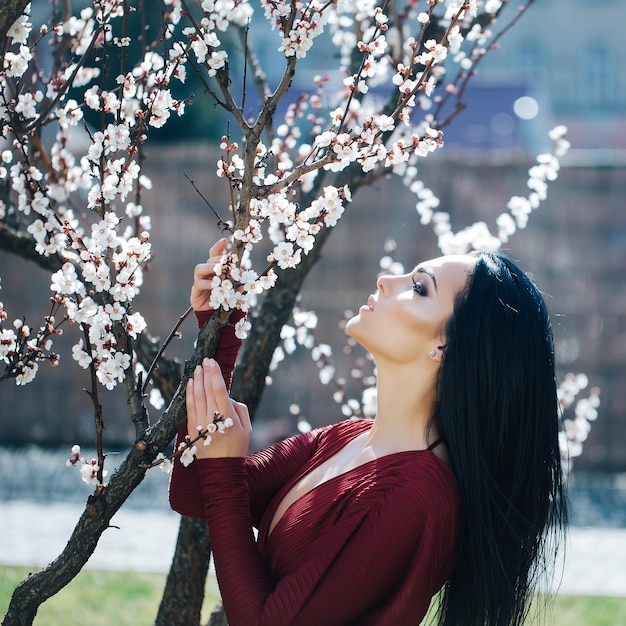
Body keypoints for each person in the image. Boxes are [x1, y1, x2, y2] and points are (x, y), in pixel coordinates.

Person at [169, 238, 567, 626]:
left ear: (446, 346)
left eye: (417, 287)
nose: (384, 280)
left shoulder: (419, 498)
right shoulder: (346, 438)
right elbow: (195, 492)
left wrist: (222, 463)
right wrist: (221, 330)